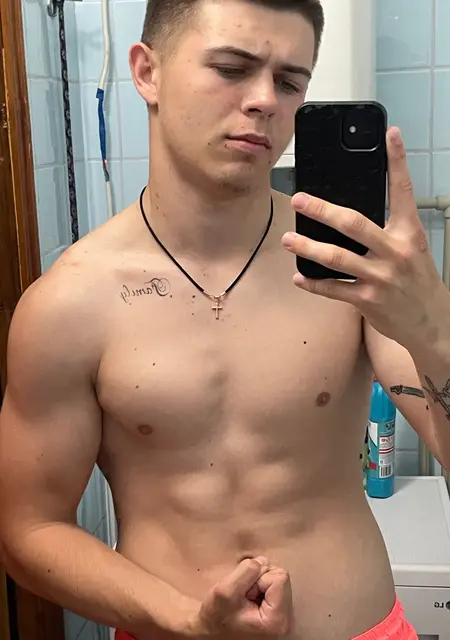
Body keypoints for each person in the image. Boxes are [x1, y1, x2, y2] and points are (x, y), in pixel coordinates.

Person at [1, 0, 449, 638]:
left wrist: (437, 333)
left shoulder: (351, 269)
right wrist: (186, 621)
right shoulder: (70, 303)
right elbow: (29, 530)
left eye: (290, 81)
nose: (265, 100)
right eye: (232, 68)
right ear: (147, 72)